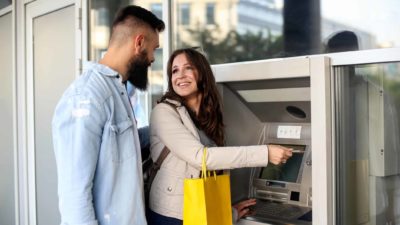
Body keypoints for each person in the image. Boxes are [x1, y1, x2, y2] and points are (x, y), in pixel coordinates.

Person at [147, 48, 293, 225]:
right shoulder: (164, 112)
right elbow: (201, 158)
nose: (180, 75)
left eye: (188, 68)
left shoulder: (207, 117)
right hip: (171, 216)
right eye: (174, 70)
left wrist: (228, 213)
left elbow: (210, 175)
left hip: (198, 211)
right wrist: (265, 153)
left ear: (202, 72)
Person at [52, 5, 164, 225]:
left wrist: (168, 125)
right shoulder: (86, 96)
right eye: (154, 49)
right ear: (139, 42)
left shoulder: (116, 89)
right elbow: (75, 194)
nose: (152, 59)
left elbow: (121, 146)